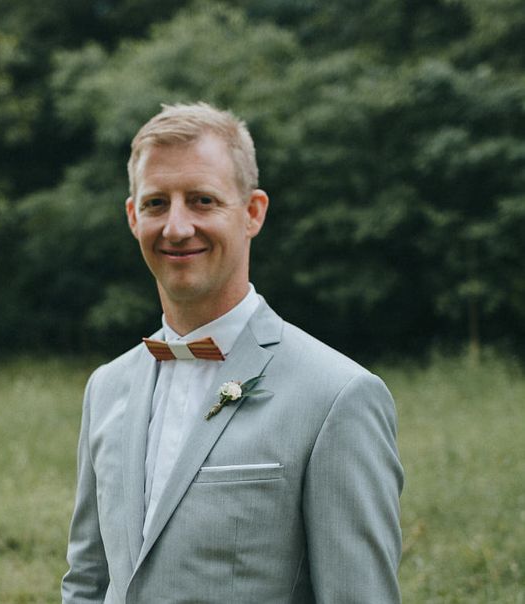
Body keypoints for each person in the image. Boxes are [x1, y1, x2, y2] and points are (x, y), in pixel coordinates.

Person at [62, 102, 404, 603]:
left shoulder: (338, 396)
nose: (177, 227)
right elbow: (88, 583)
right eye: (157, 203)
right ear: (134, 217)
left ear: (252, 213)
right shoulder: (106, 386)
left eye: (202, 200)